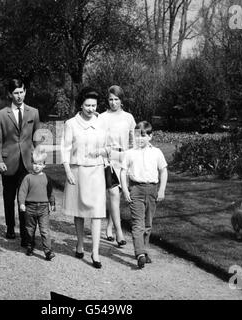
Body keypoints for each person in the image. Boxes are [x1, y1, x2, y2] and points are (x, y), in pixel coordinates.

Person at [61, 87, 107, 269]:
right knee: (79, 211)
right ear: (81, 104)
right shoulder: (71, 123)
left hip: (96, 171)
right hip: (77, 170)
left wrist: (101, 151)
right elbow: (64, 148)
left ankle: (95, 251)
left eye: (94, 105)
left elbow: (110, 146)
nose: (90, 108)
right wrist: (67, 170)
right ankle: (80, 243)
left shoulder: (101, 123)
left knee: (97, 213)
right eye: (87, 105)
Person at [0, 78, 40, 245]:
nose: (19, 96)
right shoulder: (0, 115)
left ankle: (25, 232)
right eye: (15, 93)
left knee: (24, 197)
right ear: (9, 94)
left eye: (21, 92)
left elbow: (37, 137)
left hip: (27, 161)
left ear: (25, 91)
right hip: (8, 161)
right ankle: (10, 226)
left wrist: (38, 157)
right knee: (9, 196)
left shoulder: (33, 112)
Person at [120, 121, 168, 269]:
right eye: (137, 136)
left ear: (150, 136)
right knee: (137, 223)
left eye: (143, 135)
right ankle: (139, 253)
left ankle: (144, 250)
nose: (140, 139)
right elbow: (123, 172)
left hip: (152, 189)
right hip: (136, 189)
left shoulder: (157, 152)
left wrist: (161, 190)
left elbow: (163, 171)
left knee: (148, 224)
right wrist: (126, 190)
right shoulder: (130, 153)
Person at [98, 85, 136, 247]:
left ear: (121, 100)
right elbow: (97, 140)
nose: (113, 103)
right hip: (109, 158)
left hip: (124, 158)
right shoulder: (102, 117)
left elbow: (133, 140)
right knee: (113, 193)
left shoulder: (128, 117)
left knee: (118, 196)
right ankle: (119, 233)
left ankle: (109, 226)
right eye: (111, 99)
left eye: (116, 99)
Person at [18, 152, 56, 260]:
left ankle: (48, 251)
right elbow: (22, 192)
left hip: (43, 207)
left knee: (44, 230)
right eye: (34, 163)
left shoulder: (46, 178)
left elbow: (50, 192)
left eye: (39, 164)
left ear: (44, 165)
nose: (36, 166)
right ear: (31, 163)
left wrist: (52, 203)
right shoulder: (28, 178)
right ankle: (30, 246)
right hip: (30, 207)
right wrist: (22, 203)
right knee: (30, 229)